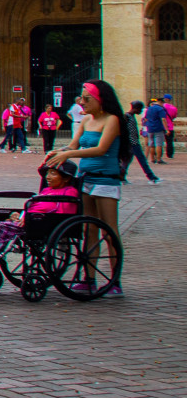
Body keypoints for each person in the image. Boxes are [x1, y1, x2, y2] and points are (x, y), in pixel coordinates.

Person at [43, 78, 132, 296]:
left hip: (105, 181)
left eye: (86, 98)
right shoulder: (86, 121)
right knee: (88, 229)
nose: (82, 102)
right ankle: (89, 278)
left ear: (100, 99)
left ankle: (115, 280)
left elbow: (101, 149)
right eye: (82, 98)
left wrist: (69, 154)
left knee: (109, 230)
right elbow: (73, 145)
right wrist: (57, 152)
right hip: (86, 179)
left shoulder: (112, 120)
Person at [128, 100, 162, 184]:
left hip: (133, 142)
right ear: (136, 108)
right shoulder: (127, 117)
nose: (140, 111)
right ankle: (151, 177)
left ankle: (121, 177)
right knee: (141, 160)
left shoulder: (131, 116)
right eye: (140, 109)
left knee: (127, 160)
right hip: (132, 142)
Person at [142, 97, 168, 167]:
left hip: (150, 128)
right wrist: (167, 129)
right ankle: (159, 159)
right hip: (158, 128)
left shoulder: (149, 108)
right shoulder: (160, 109)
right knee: (159, 144)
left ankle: (152, 159)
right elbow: (163, 119)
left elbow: (145, 118)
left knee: (152, 144)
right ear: (161, 102)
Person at [164, 94, 178, 160]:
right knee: (169, 142)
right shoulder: (174, 108)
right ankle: (170, 155)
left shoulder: (162, 107)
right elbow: (174, 116)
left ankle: (158, 155)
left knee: (159, 141)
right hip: (170, 126)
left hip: (162, 126)